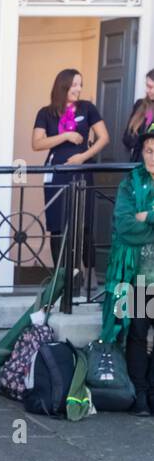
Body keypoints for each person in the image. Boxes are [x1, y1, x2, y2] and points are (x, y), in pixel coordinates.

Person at [32, 69, 109, 285]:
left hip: (81, 173)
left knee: (83, 224)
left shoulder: (87, 108)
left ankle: (88, 276)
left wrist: (83, 157)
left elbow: (104, 138)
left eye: (80, 84)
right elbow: (37, 143)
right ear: (63, 85)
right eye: (75, 84)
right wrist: (64, 136)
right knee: (57, 226)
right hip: (56, 175)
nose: (78, 89)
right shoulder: (45, 113)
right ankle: (61, 276)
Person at [100, 125, 154, 414]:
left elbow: (139, 224)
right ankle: (141, 396)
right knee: (138, 332)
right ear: (142, 151)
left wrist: (149, 215)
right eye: (149, 150)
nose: (153, 157)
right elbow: (125, 227)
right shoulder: (131, 183)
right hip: (142, 274)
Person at [122, 69, 154, 163]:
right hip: (138, 165)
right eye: (147, 86)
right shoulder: (140, 105)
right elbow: (127, 139)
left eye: (150, 87)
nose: (147, 90)